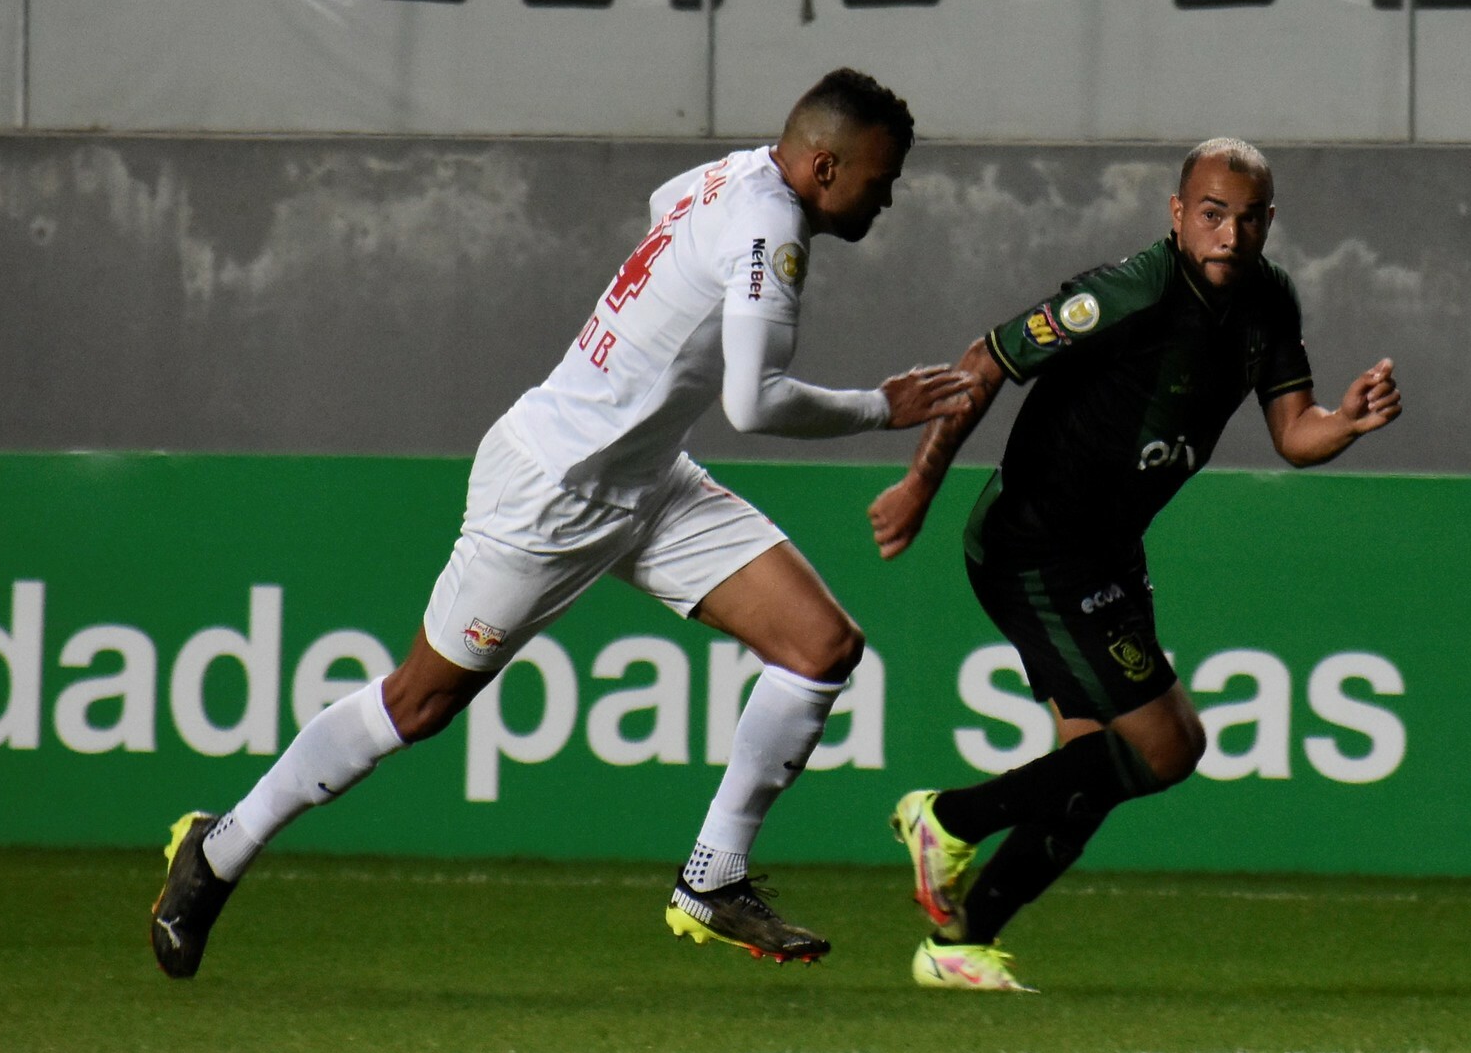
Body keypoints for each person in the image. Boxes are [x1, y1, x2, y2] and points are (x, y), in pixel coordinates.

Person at [151, 68, 971, 978]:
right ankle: (219, 848)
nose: (886, 198)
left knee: (821, 646)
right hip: (553, 486)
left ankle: (713, 876)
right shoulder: (771, 224)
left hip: (649, 478)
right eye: (879, 179)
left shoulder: (737, 175)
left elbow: (664, 207)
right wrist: (877, 408)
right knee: (418, 702)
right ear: (824, 165)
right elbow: (751, 401)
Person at [868, 138, 1402, 992]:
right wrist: (920, 484)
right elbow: (986, 359)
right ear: (1178, 214)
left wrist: (1348, 421)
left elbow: (1295, 433)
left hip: (1106, 551)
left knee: (1090, 769)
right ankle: (948, 817)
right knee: (1169, 742)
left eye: (1248, 216)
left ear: (1269, 222)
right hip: (1033, 545)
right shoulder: (1130, 291)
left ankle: (958, 944)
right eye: (1212, 213)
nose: (1229, 231)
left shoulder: (1268, 302)